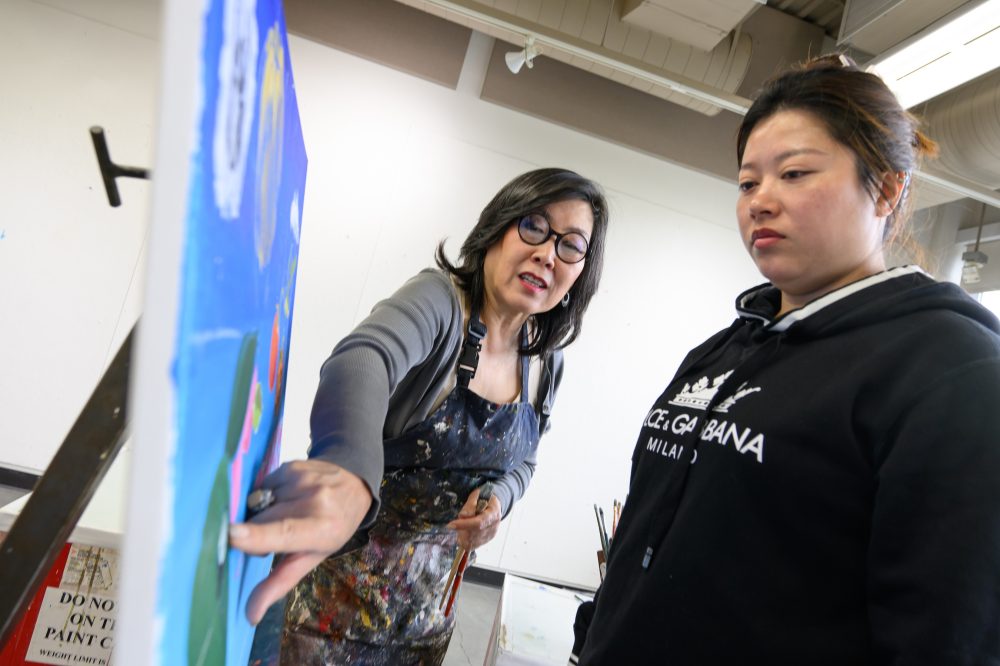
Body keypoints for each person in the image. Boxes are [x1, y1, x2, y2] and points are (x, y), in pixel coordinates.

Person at [573, 55, 1000, 665]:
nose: (760, 201)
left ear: (885, 187)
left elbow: (949, 638)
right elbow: (648, 531)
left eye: (795, 173)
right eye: (748, 182)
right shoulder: (725, 349)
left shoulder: (952, 371)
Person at [230, 167, 609, 664]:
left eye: (571, 245)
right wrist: (349, 471)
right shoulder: (442, 302)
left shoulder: (543, 365)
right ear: (498, 228)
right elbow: (364, 360)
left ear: (581, 270)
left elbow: (525, 463)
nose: (546, 252)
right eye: (534, 226)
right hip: (321, 612)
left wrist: (498, 501)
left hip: (423, 629)